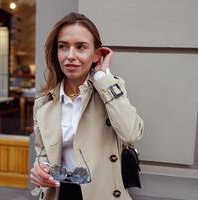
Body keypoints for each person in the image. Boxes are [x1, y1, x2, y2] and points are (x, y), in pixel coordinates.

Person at [30, 12, 144, 200]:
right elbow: (42, 153)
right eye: (63, 47)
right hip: (60, 192)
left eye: (81, 47)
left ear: (96, 54)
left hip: (101, 193)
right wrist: (39, 168)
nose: (70, 56)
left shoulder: (109, 90)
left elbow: (132, 133)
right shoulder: (44, 103)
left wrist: (102, 78)